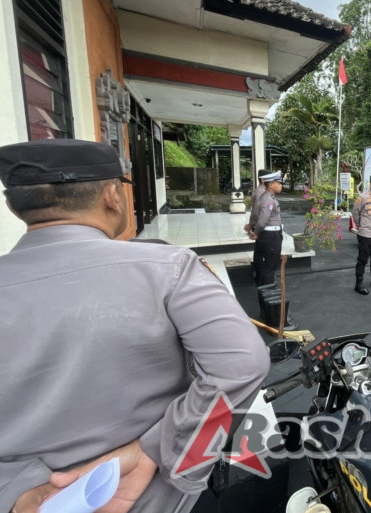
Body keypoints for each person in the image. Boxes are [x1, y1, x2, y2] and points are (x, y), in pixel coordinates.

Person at [0, 139, 269, 513]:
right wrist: (155, 452)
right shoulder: (166, 268)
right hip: (157, 497)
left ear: (14, 206)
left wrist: (17, 493)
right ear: (112, 195)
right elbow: (245, 364)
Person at [249, 171, 284, 287]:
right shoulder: (268, 199)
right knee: (271, 266)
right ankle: (268, 293)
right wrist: (256, 232)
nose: (281, 185)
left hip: (269, 235)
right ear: (271, 185)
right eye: (278, 183)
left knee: (267, 264)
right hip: (271, 236)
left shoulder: (267, 196)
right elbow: (264, 219)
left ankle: (263, 288)